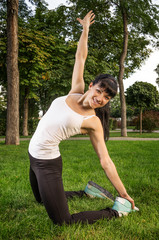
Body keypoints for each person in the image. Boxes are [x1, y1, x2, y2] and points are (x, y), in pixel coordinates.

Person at [28, 11, 135, 225]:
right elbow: (81, 57)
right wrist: (85, 30)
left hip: (47, 163)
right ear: (90, 86)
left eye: (107, 97)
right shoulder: (75, 90)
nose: (101, 98)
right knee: (39, 199)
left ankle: (115, 212)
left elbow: (106, 161)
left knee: (63, 221)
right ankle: (88, 192)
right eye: (99, 91)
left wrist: (123, 193)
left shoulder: (93, 122)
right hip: (32, 154)